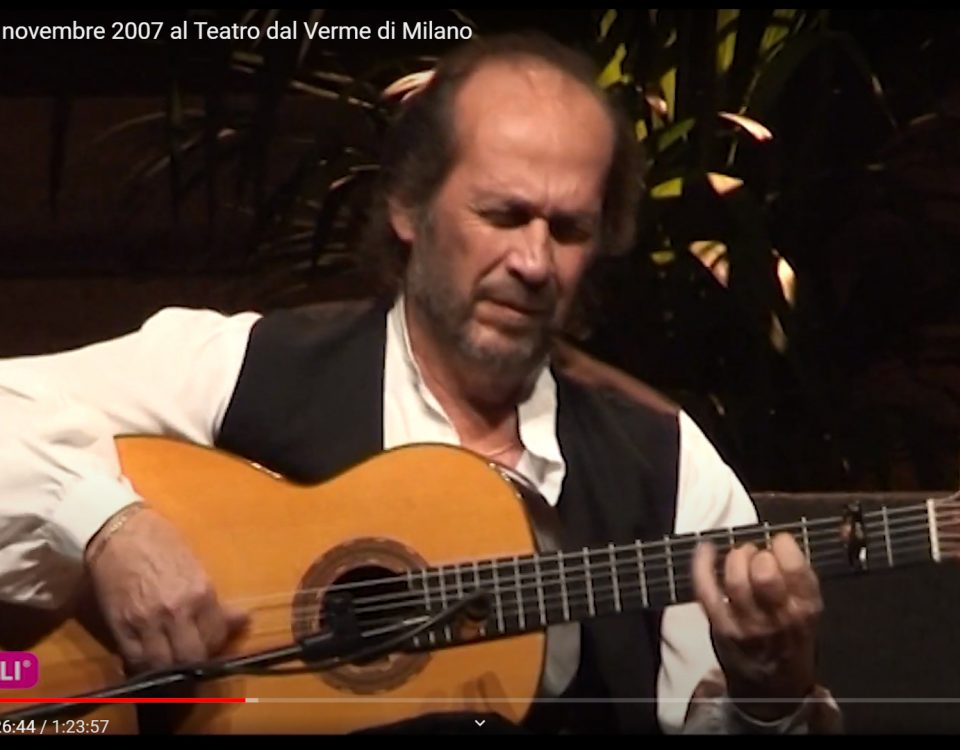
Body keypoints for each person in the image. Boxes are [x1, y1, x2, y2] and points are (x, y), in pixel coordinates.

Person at [0, 32, 841, 734]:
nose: (534, 261)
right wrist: (106, 526)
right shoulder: (243, 367)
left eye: (570, 228)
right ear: (409, 207)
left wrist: (770, 699)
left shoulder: (666, 466)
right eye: (503, 214)